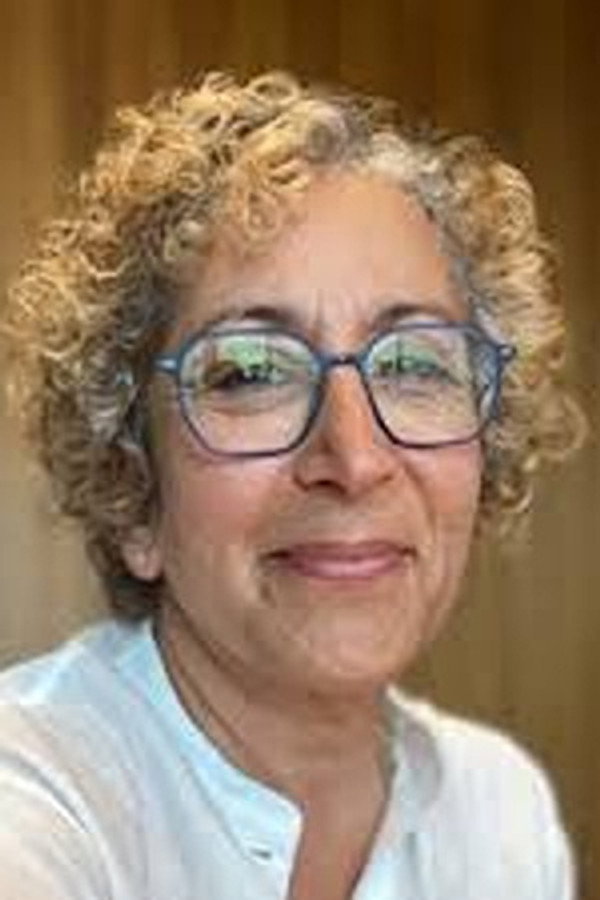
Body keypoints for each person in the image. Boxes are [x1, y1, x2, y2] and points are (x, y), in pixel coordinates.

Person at [0, 70, 584, 899]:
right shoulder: (33, 811)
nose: (355, 458)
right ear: (133, 487)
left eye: (414, 363)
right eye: (249, 371)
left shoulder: (501, 812)